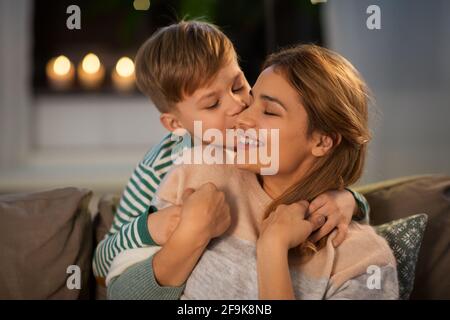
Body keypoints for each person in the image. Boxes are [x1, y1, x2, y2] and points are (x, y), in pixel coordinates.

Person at [107, 44, 398, 300]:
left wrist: (272, 248)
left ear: (322, 141)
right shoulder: (198, 172)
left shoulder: (366, 261)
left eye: (268, 111)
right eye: (253, 100)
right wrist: (187, 236)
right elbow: (115, 285)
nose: (240, 116)